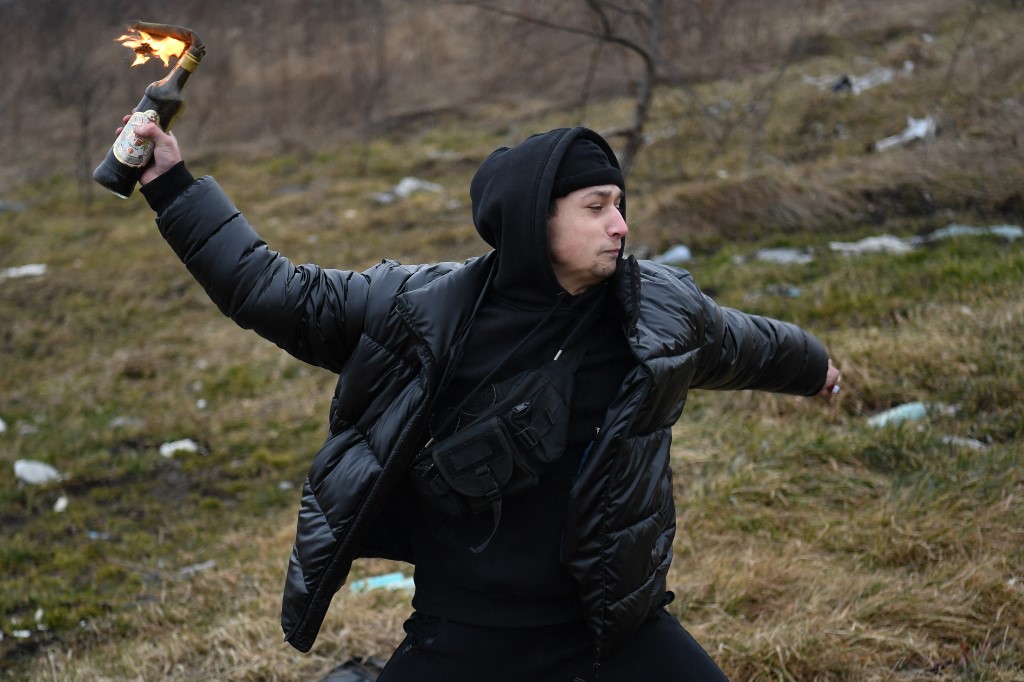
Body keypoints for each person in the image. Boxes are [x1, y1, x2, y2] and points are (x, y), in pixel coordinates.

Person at [128, 117, 840, 681]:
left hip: (610, 628)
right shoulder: (424, 310)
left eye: (620, 206)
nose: (620, 226)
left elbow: (746, 344)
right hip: (467, 631)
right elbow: (277, 293)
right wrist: (172, 186)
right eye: (596, 207)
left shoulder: (656, 309)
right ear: (535, 219)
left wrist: (816, 369)